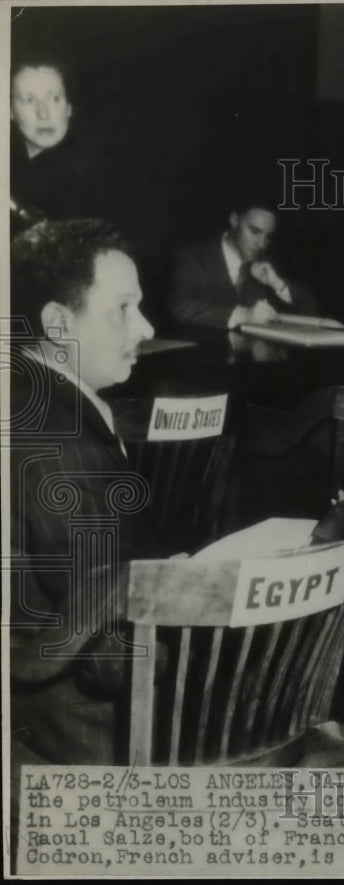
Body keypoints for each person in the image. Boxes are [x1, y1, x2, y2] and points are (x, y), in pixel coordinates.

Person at [10, 219, 161, 769]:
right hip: (79, 724)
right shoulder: (61, 446)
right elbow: (111, 654)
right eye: (123, 308)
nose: (144, 328)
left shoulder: (25, 388)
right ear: (57, 323)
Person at [167, 197, 318, 329]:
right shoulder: (193, 258)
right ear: (234, 220)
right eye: (254, 231)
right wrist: (244, 315)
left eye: (268, 237)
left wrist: (278, 284)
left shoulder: (265, 264)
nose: (262, 243)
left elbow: (312, 310)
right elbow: (178, 307)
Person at [9, 57, 109, 234]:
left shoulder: (93, 178)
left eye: (54, 98)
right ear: (10, 111)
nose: (43, 113)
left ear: (69, 107)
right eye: (29, 100)